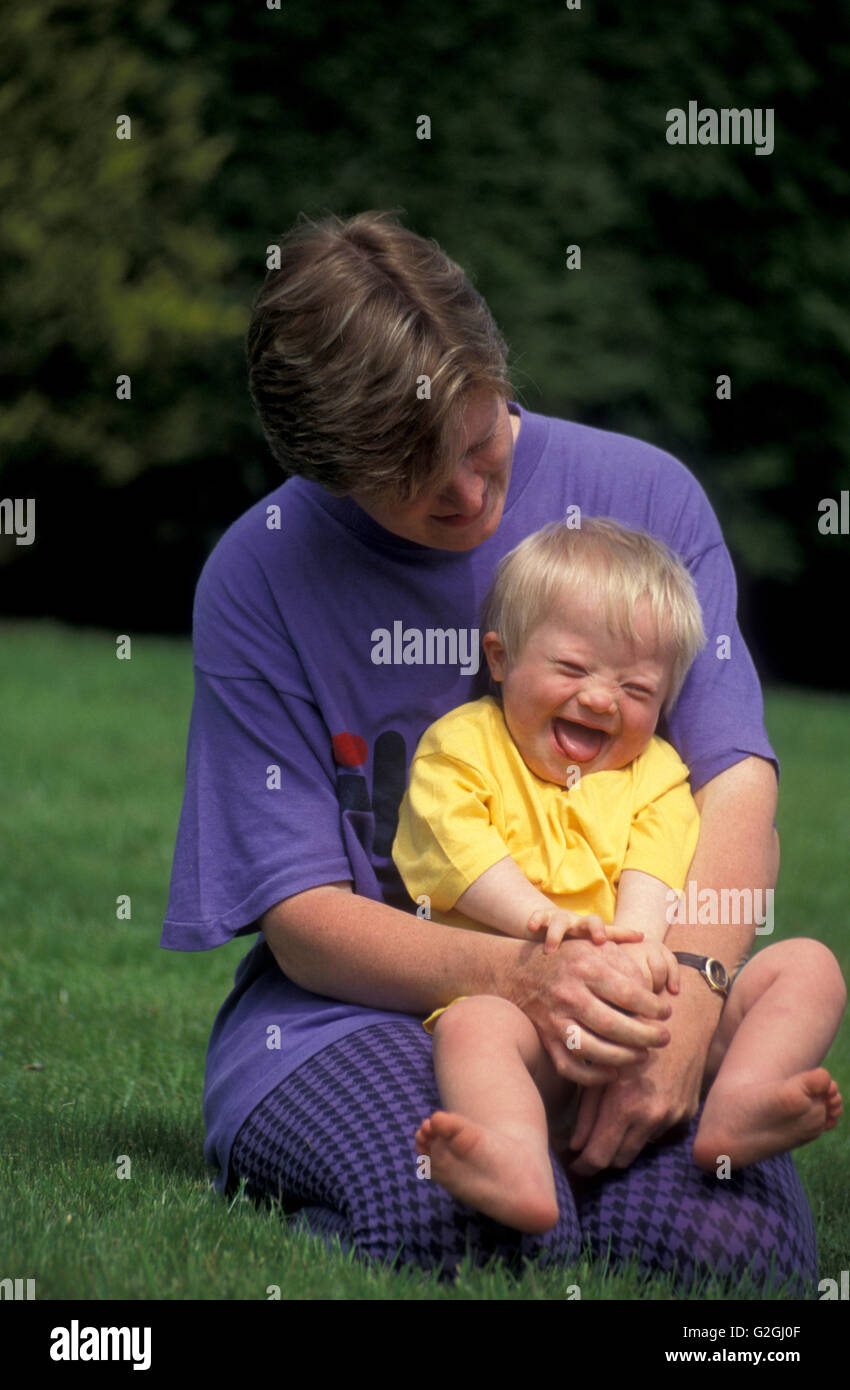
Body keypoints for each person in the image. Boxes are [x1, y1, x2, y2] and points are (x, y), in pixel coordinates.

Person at [161, 208, 820, 1290]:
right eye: (415, 487)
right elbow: (305, 920)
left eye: (480, 445)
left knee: (726, 1253)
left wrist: (694, 1000)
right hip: (355, 1010)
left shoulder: (645, 496)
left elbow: (734, 782)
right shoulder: (260, 575)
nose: (472, 499)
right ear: (324, 471)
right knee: (451, 1228)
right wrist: (524, 976)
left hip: (644, 983)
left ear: (491, 365)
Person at [392, 519, 844, 1233]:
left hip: (656, 1019)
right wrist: (540, 920)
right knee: (473, 1027)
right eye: (573, 671)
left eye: (636, 687)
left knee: (810, 967)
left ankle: (739, 1103)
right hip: (532, 1022)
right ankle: (514, 1159)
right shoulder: (463, 746)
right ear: (501, 658)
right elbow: (450, 848)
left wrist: (637, 945)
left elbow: (657, 864)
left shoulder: (656, 773)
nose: (602, 700)